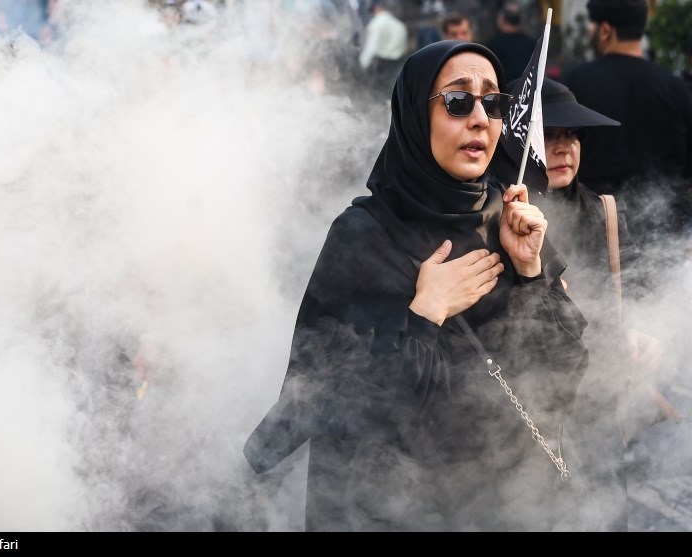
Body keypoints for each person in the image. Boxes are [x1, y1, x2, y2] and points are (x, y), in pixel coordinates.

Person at [243, 40, 605, 531]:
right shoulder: (366, 234)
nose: (479, 118)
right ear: (416, 114)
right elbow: (342, 409)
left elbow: (562, 380)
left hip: (508, 505)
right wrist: (424, 316)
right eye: (458, 101)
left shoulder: (507, 216)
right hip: (397, 513)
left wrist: (529, 271)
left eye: (492, 102)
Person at [536, 78, 669, 531]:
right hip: (524, 414)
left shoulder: (603, 211)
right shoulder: (489, 215)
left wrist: (639, 331)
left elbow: (632, 288)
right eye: (549, 134)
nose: (564, 148)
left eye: (572, 136)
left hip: (596, 407)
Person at [560, 0, 692, 245]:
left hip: (593, 232)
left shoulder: (573, 84)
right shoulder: (676, 89)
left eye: (593, 26)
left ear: (605, 30)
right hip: (664, 234)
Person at [358, 0, 408, 97]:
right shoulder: (399, 25)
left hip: (382, 66)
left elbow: (372, 46)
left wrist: (363, 63)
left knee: (379, 96)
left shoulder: (376, 23)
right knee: (393, 94)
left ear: (376, 8)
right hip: (398, 64)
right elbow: (404, 48)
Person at [484, 2, 537, 84]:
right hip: (525, 92)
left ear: (502, 19)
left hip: (502, 92)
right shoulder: (531, 43)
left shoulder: (493, 44)